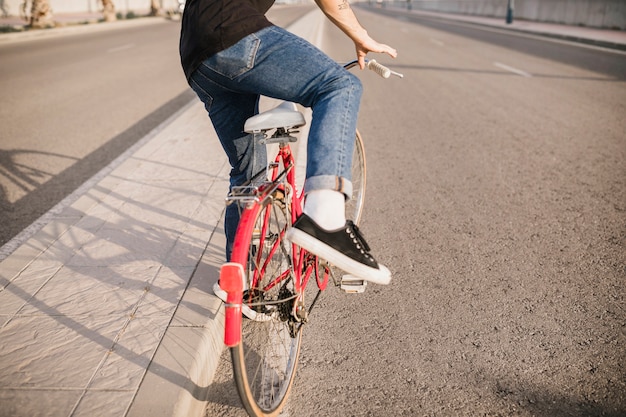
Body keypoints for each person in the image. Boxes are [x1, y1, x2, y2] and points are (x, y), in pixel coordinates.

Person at [179, 0, 396, 294]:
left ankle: (240, 282)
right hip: (234, 33)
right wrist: (360, 34)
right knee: (340, 85)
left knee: (247, 173)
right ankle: (325, 217)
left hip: (197, 60)